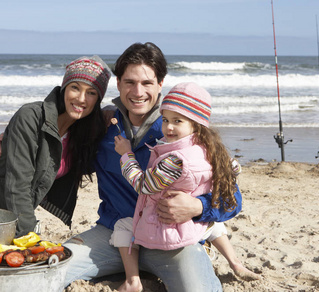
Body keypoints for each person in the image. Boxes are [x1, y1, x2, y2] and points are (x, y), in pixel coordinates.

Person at [61, 43, 242, 292]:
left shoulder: (181, 131)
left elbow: (232, 198)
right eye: (129, 82)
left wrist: (198, 206)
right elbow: (59, 134)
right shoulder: (103, 125)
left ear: (160, 84)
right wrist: (12, 137)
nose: (138, 91)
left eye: (147, 83)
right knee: (50, 269)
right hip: (116, 236)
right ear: (118, 83)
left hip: (170, 241)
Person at [111, 82, 259, 291]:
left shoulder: (175, 160)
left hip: (169, 226)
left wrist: (126, 155)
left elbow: (143, 185)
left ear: (195, 124)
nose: (169, 127)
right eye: (165, 120)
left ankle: (132, 280)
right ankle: (235, 262)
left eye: (177, 121)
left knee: (123, 227)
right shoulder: (211, 149)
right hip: (196, 225)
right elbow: (235, 169)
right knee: (214, 225)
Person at [0, 55, 111, 241]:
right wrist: (29, 235)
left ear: (98, 99)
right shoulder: (31, 117)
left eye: (91, 92)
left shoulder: (83, 135)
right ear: (64, 87)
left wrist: (112, 112)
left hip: (11, 218)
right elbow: (18, 185)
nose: (81, 98)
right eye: (75, 87)